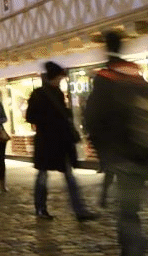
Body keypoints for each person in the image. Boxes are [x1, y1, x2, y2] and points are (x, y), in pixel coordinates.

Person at [85, 31, 148, 254]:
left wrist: (100, 149)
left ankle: (135, 248)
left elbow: (92, 117)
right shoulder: (138, 77)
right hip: (143, 150)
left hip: (120, 153)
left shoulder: (105, 78)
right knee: (129, 206)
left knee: (128, 211)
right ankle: (128, 247)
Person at [26, 61, 98, 221]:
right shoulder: (39, 94)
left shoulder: (57, 93)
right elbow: (31, 116)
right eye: (60, 77)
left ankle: (79, 210)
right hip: (47, 143)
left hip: (59, 143)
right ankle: (41, 208)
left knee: (67, 177)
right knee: (43, 177)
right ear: (55, 77)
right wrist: (49, 120)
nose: (61, 80)